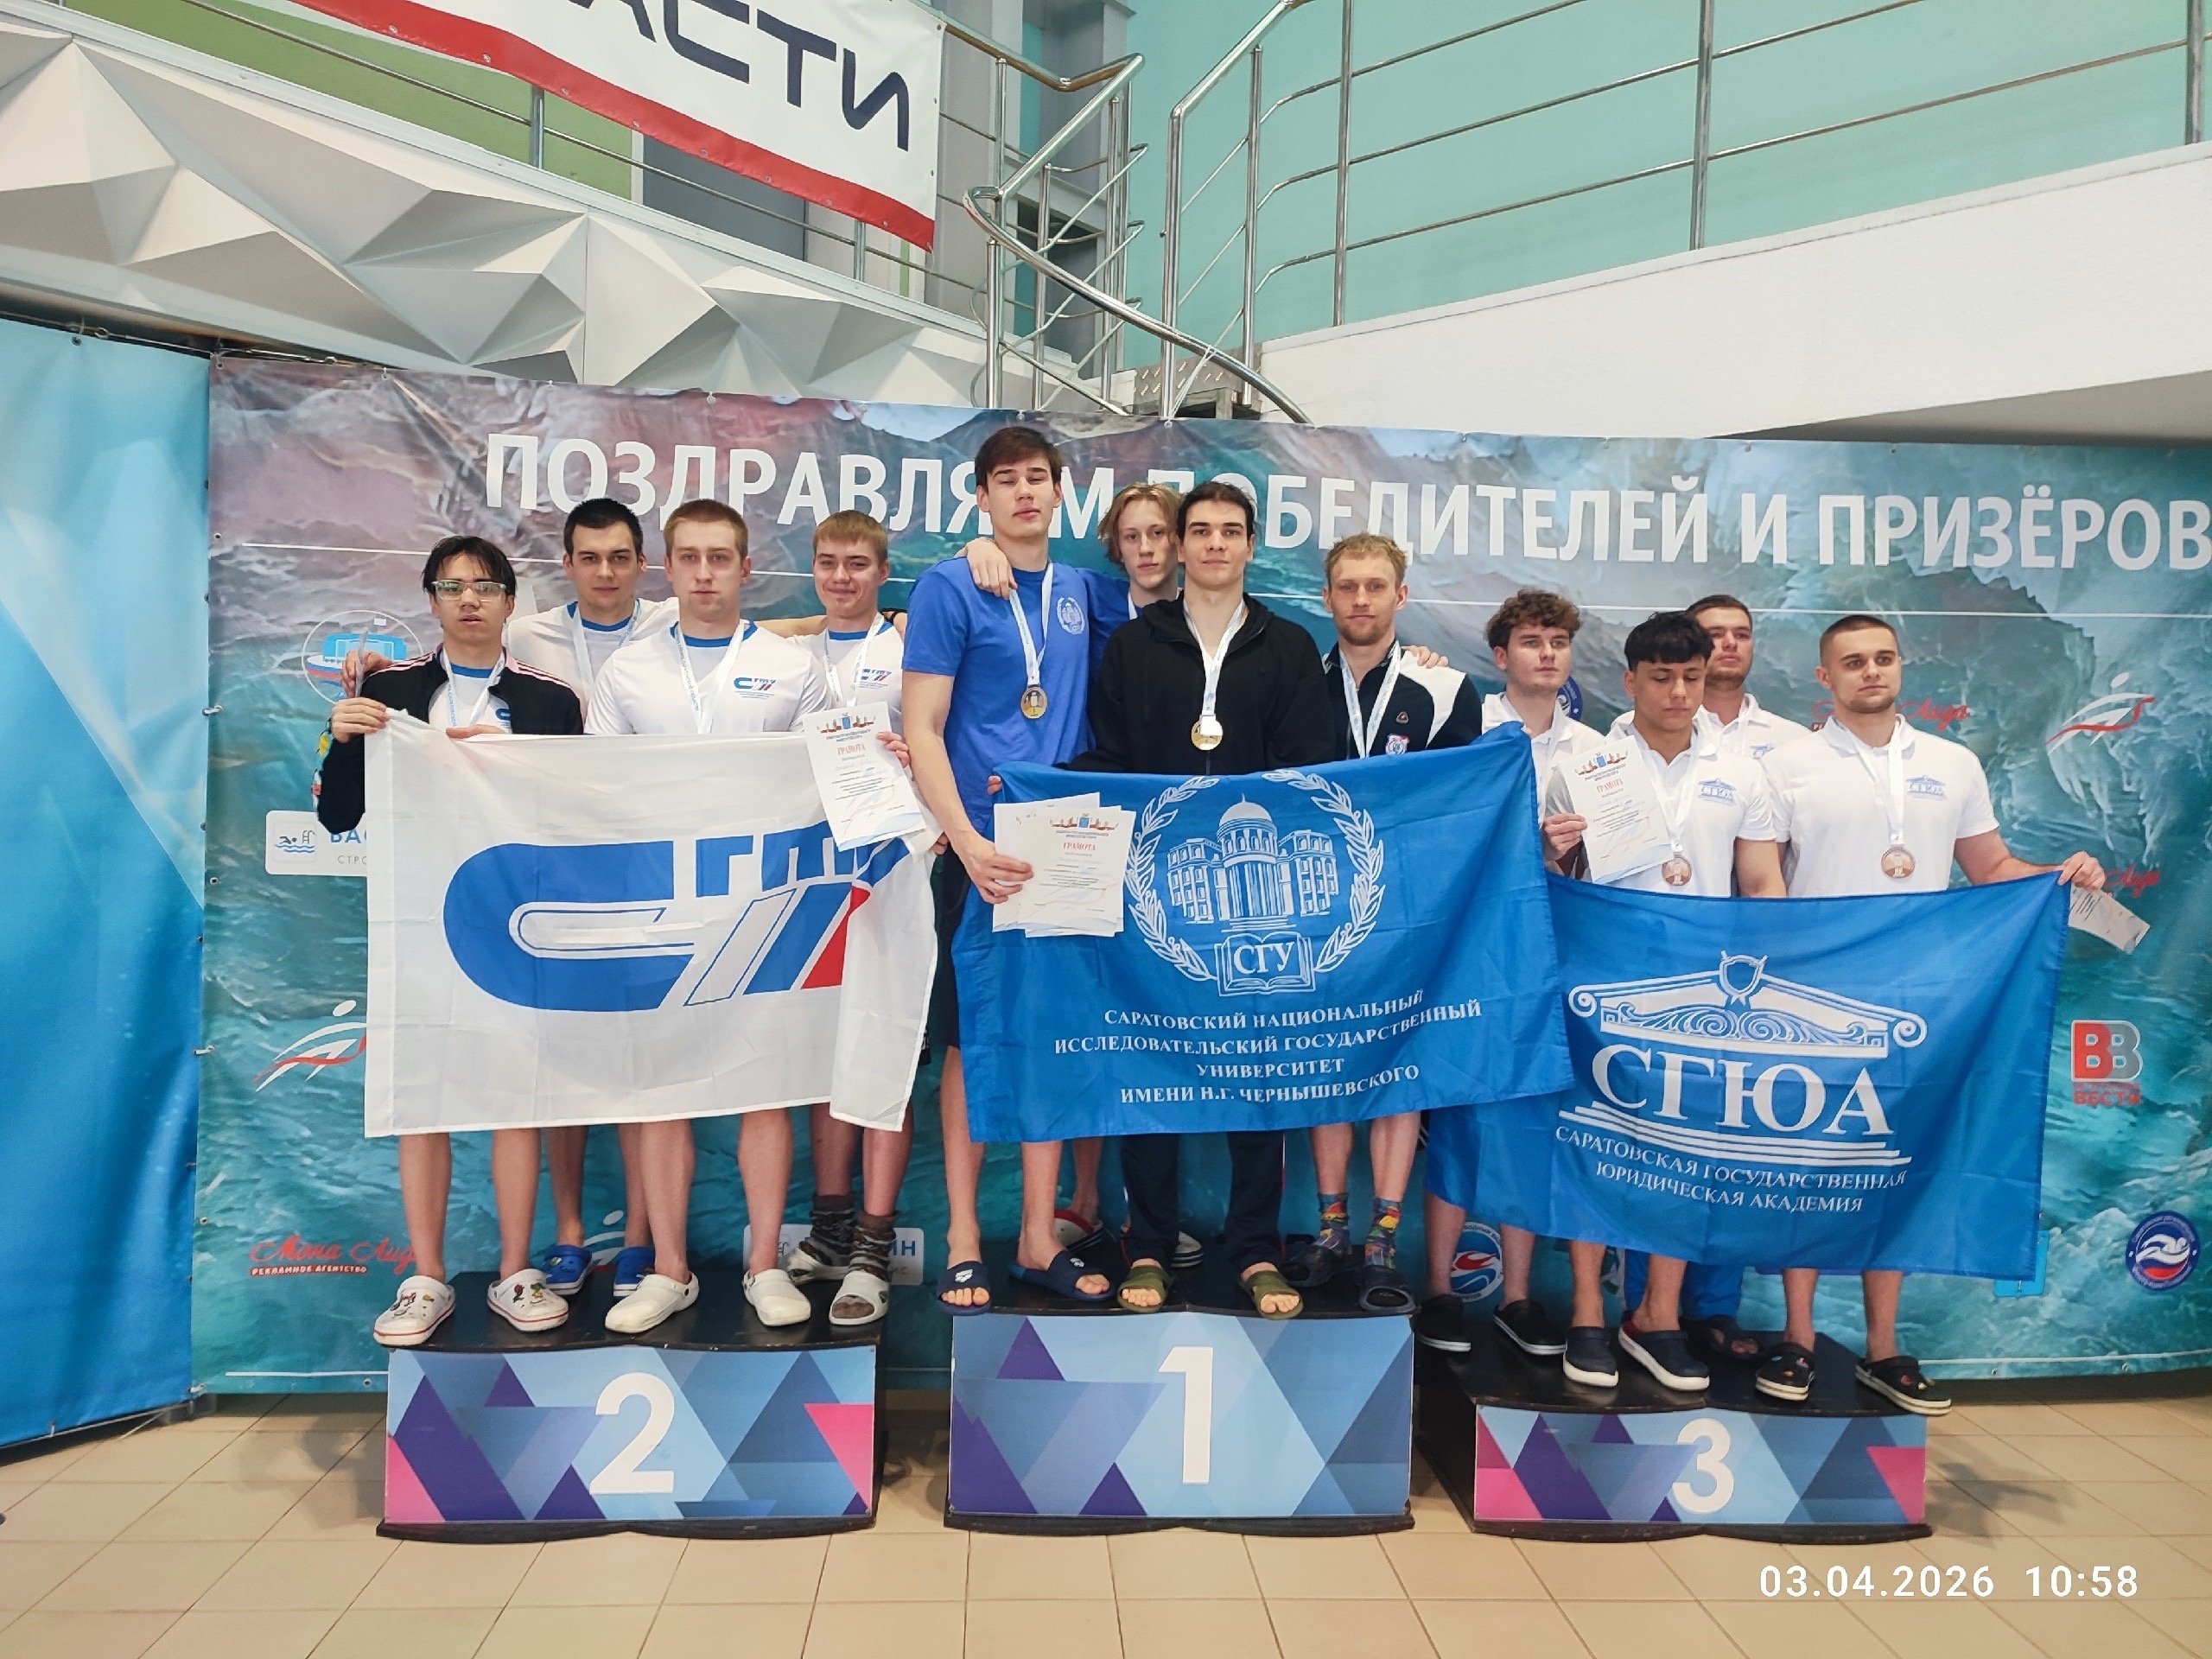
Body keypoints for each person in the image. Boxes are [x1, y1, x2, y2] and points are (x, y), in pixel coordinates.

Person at [1757, 613, 2102, 1414]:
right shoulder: (1787, 766)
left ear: (1902, 666)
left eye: (1883, 658)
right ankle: (1798, 1337)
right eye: (1852, 662)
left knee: (1895, 1161)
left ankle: (1882, 1349)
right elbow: (1764, 886)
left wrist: (2061, 873)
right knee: (1806, 1165)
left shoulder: (1953, 763)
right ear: (1825, 678)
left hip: (1920, 1002)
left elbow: (1992, 868)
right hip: (1818, 1002)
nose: (1870, 672)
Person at [1070, 480, 1337, 1319]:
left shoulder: (1288, 647)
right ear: (1178, 546)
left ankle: (1256, 1251)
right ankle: (1147, 1245)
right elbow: (1109, 757)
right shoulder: (1133, 646)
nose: (1216, 543)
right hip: (1155, 889)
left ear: (1251, 545)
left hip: (1260, 905)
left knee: (1258, 1071)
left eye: (1231, 530)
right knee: (1151, 1069)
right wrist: (1036, 790)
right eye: (1201, 530)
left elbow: (1312, 771)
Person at [317, 536, 584, 1345]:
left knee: (515, 1097)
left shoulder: (551, 701)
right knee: (423, 1097)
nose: (470, 599)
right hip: (419, 919)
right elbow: (337, 814)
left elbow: (576, 824)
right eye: (452, 586)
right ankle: (426, 1277)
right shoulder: (389, 690)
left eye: (486, 586)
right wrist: (339, 735)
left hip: (515, 923)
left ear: (510, 601)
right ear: (431, 600)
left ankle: (516, 1271)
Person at [585, 499, 835, 1335]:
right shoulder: (627, 673)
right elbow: (592, 793)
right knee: (662, 1090)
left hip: (764, 906)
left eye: (718, 558)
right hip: (658, 909)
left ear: (745, 568)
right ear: (668, 568)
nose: (703, 574)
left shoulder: (790, 666)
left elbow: (829, 775)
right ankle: (669, 1268)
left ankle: (765, 1263)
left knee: (765, 1089)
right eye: (688, 558)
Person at [1539, 612, 1788, 1390]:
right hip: (1606, 981)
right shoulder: (1587, 765)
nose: (1679, 692)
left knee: (1685, 1154)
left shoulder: (1742, 772)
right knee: (1595, 1146)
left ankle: (1657, 1315)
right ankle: (1588, 1311)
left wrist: (1766, 980)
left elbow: (1762, 885)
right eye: (1662, 677)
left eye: (1691, 677)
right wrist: (1550, 851)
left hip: (1704, 990)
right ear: (1630, 681)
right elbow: (1553, 884)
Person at [903, 427, 1113, 1313]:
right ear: (981, 496)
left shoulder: (1086, 592)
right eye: (1005, 480)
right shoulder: (950, 585)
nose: (1024, 492)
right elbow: (921, 727)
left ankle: (1036, 1234)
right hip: (980, 848)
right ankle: (961, 1238)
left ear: (1061, 493)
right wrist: (962, 839)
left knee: (1054, 1037)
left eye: (1037, 478)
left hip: (1068, 842)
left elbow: (1174, 606)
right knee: (971, 1039)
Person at [965, 481, 1185, 1268]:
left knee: (1155, 1017)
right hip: (1090, 824)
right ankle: (1085, 1201)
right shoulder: (1089, 595)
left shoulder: (1213, 614)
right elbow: (1011, 581)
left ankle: (1132, 1211)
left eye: (1159, 533)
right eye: (1132, 536)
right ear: (1114, 547)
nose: (1147, 548)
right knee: (1086, 1009)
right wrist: (977, 545)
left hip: (1172, 837)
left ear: (1183, 541)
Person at [1291, 533, 1483, 1318]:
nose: (1361, 600)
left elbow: (1461, 808)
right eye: (1347, 587)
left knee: (1400, 1071)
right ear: (1327, 598)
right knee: (1325, 1066)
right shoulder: (1297, 686)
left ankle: (1382, 1240)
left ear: (1401, 596)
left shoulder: (1446, 688)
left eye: (1376, 586)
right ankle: (1332, 1229)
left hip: (1409, 917)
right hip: (1318, 916)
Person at [1418, 589, 1607, 1357]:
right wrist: (1529, 850)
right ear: (1501, 657)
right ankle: (1439, 1290)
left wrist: (1570, 857)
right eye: (1532, 641)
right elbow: (1442, 845)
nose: (1548, 654)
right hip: (1474, 953)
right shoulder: (1466, 732)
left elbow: (1614, 867)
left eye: (1558, 641)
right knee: (1458, 1118)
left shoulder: (1598, 751)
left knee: (1532, 1120)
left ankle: (1518, 1297)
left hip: (1559, 952)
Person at [503, 496, 675, 1305]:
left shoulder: (670, 626)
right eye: (589, 558)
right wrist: (372, 668)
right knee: (563, 1059)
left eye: (620, 557)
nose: (605, 572)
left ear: (642, 564)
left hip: (645, 868)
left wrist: (892, 613)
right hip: (554, 866)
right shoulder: (525, 635)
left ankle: (640, 1237)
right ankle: (569, 1232)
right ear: (567, 564)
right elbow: (457, 665)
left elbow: (783, 629)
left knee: (643, 1058)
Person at [778, 510, 912, 1326]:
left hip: (896, 868)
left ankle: (873, 1242)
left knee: (886, 1046)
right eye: (828, 563)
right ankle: (829, 1230)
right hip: (808, 874)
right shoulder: (783, 657)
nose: (841, 577)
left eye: (857, 564)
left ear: (883, 572)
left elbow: (939, 737)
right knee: (824, 1051)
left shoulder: (911, 649)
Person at [1684, 594, 1811, 762]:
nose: (1731, 643)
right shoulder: (1655, 733)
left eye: (1741, 635)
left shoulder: (1795, 740)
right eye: (1715, 634)